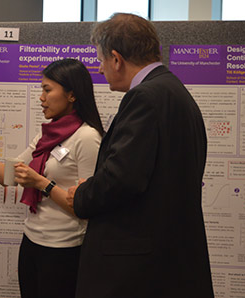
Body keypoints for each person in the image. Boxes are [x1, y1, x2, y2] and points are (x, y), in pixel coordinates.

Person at [67, 13, 215, 297]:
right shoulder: (174, 91)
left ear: (116, 59)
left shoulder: (144, 98)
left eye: (100, 60)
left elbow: (123, 178)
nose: (99, 69)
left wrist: (82, 196)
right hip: (167, 260)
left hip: (136, 269)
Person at [0, 58, 104, 298]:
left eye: (47, 90)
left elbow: (86, 207)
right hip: (32, 242)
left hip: (65, 250)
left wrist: (41, 183)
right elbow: (8, 175)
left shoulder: (87, 138)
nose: (41, 98)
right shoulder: (47, 135)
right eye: (41, 90)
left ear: (72, 95)